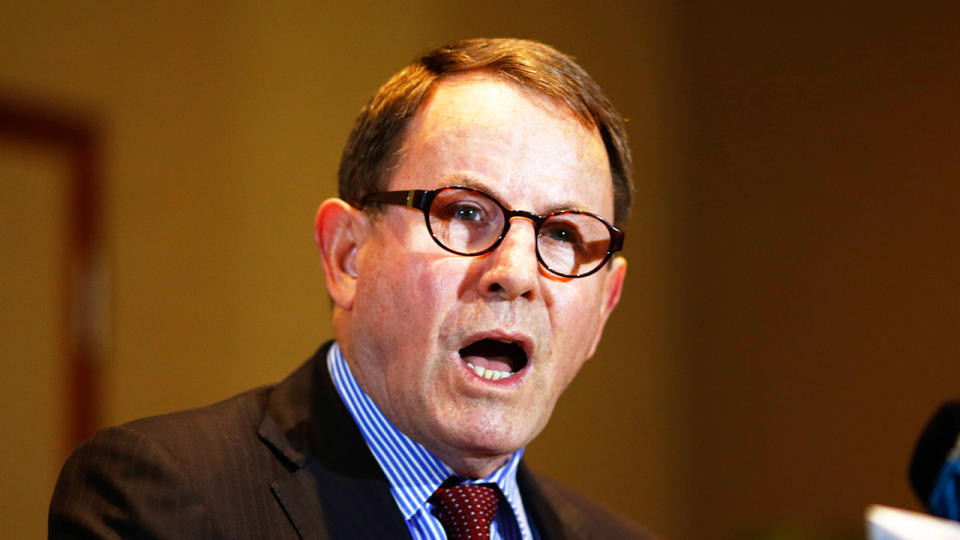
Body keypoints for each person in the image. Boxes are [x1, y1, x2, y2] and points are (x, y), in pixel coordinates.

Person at [50, 38, 651, 539]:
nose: (516, 273)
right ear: (346, 255)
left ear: (603, 306)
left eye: (566, 234)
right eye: (466, 213)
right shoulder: (165, 499)